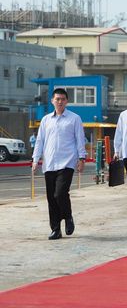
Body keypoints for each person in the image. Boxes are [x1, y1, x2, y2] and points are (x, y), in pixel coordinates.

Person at [32, 88, 86, 240]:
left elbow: (80, 139)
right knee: (51, 198)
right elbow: (40, 141)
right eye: (57, 99)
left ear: (67, 101)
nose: (60, 101)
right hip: (49, 163)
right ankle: (55, 229)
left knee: (60, 193)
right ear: (52, 101)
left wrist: (81, 159)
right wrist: (35, 159)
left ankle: (68, 217)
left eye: (63, 99)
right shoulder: (46, 120)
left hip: (67, 162)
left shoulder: (74, 118)